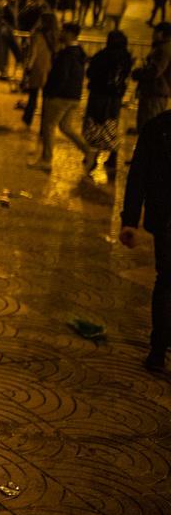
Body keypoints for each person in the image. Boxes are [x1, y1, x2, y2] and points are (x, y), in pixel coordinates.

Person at [120, 109, 171, 372]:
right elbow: (138, 175)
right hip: (165, 219)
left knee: (166, 280)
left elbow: (137, 177)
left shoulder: (158, 126)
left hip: (164, 218)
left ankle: (158, 350)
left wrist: (130, 220)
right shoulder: (157, 128)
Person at [32, 23, 92, 171]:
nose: (60, 33)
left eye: (63, 31)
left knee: (49, 127)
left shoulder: (67, 54)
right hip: (74, 97)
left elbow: (61, 77)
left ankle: (46, 160)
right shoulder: (79, 53)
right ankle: (88, 151)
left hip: (60, 97)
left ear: (70, 34)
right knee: (66, 127)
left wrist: (51, 93)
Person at [82, 30, 132, 171]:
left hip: (99, 95)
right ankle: (112, 156)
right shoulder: (126, 57)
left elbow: (90, 73)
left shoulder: (102, 56)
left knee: (95, 126)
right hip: (115, 98)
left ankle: (92, 157)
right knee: (110, 126)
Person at [21, 12, 58, 128]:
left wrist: (28, 68)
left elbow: (33, 53)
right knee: (46, 99)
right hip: (51, 69)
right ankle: (44, 124)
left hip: (37, 68)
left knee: (33, 95)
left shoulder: (37, 35)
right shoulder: (56, 36)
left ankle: (28, 118)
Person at [134, 23, 171, 132]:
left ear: (161, 33)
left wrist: (138, 74)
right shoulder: (162, 47)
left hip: (155, 92)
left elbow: (154, 71)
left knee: (149, 124)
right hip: (156, 91)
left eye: (155, 32)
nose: (153, 34)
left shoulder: (164, 50)